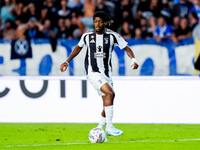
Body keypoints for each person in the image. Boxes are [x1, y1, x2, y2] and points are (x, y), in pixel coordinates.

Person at [60, 11, 139, 137]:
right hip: (93, 72)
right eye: (95, 21)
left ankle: (99, 130)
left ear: (105, 22)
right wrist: (67, 61)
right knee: (110, 93)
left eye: (100, 21)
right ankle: (110, 127)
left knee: (107, 102)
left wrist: (133, 60)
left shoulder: (113, 36)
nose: (97, 24)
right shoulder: (87, 36)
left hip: (106, 74)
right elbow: (78, 48)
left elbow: (127, 48)